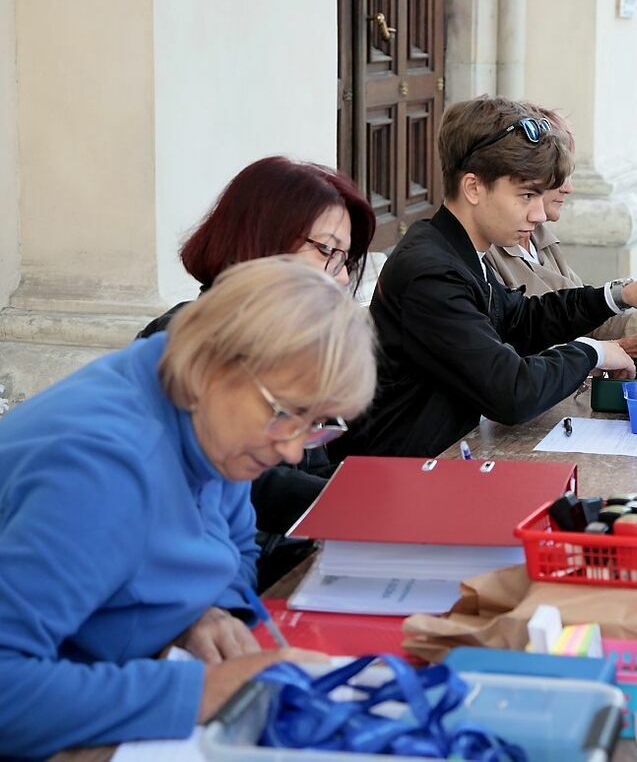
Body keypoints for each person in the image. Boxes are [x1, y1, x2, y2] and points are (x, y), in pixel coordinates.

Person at [0, 257, 376, 756]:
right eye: (287, 414)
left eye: (318, 424)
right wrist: (197, 693)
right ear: (211, 366)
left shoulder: (208, 420)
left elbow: (237, 545)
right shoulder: (104, 471)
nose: (292, 451)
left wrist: (204, 611)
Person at [339, 96, 637, 458]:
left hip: (439, 460)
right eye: (526, 195)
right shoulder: (430, 272)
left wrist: (617, 296)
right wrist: (593, 352)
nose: (539, 214)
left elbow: (522, 319)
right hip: (397, 477)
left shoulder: (456, 250)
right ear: (473, 187)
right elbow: (510, 392)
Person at [138, 155, 377, 588]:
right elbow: (236, 486)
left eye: (343, 261)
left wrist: (372, 496)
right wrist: (354, 503)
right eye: (327, 251)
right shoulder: (181, 342)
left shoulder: (288, 341)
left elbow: (312, 463)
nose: (340, 279)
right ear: (264, 237)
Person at [485, 103, 637, 358]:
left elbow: (582, 316)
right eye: (555, 178)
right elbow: (521, 358)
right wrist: (611, 349)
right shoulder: (483, 256)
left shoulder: (539, 237)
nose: (569, 188)